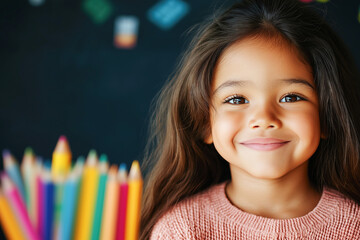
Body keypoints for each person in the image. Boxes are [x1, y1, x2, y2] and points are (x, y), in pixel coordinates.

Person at [140, 0, 360, 239]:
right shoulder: (182, 229)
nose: (264, 119)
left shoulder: (353, 225)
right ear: (204, 122)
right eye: (236, 100)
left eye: (291, 97)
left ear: (328, 115)